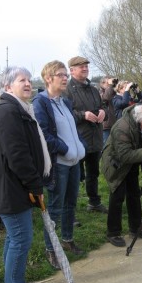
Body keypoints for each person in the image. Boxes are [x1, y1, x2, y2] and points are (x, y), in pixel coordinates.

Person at [0, 66, 50, 283]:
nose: (28, 84)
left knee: (15, 238)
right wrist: (35, 185)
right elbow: (18, 155)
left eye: (29, 80)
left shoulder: (20, 109)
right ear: (7, 86)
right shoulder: (8, 112)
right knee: (21, 240)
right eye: (22, 80)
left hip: (13, 186)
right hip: (10, 188)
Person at [33, 61, 86, 269]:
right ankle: (51, 250)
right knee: (54, 209)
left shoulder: (65, 102)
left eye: (66, 75)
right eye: (60, 75)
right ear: (48, 78)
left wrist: (81, 145)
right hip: (59, 164)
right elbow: (44, 136)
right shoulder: (41, 103)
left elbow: (73, 129)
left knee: (70, 204)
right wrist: (66, 149)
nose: (65, 78)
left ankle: (67, 239)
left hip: (74, 163)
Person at [102, 103, 142, 247]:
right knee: (117, 197)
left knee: (134, 195)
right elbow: (124, 155)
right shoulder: (122, 127)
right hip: (116, 165)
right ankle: (113, 233)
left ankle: (136, 228)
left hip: (132, 163)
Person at [65, 56, 108, 214]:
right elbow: (65, 113)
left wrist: (103, 111)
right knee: (75, 177)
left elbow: (102, 105)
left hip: (95, 138)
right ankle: (70, 210)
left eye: (86, 66)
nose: (85, 69)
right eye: (81, 66)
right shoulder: (67, 90)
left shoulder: (93, 89)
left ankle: (94, 202)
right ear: (72, 70)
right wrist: (83, 115)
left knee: (93, 173)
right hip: (77, 139)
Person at [99, 76, 117, 146]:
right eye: (108, 83)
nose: (110, 85)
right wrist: (110, 85)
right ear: (102, 83)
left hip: (113, 123)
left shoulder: (112, 92)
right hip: (106, 125)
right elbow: (106, 98)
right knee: (106, 146)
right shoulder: (100, 93)